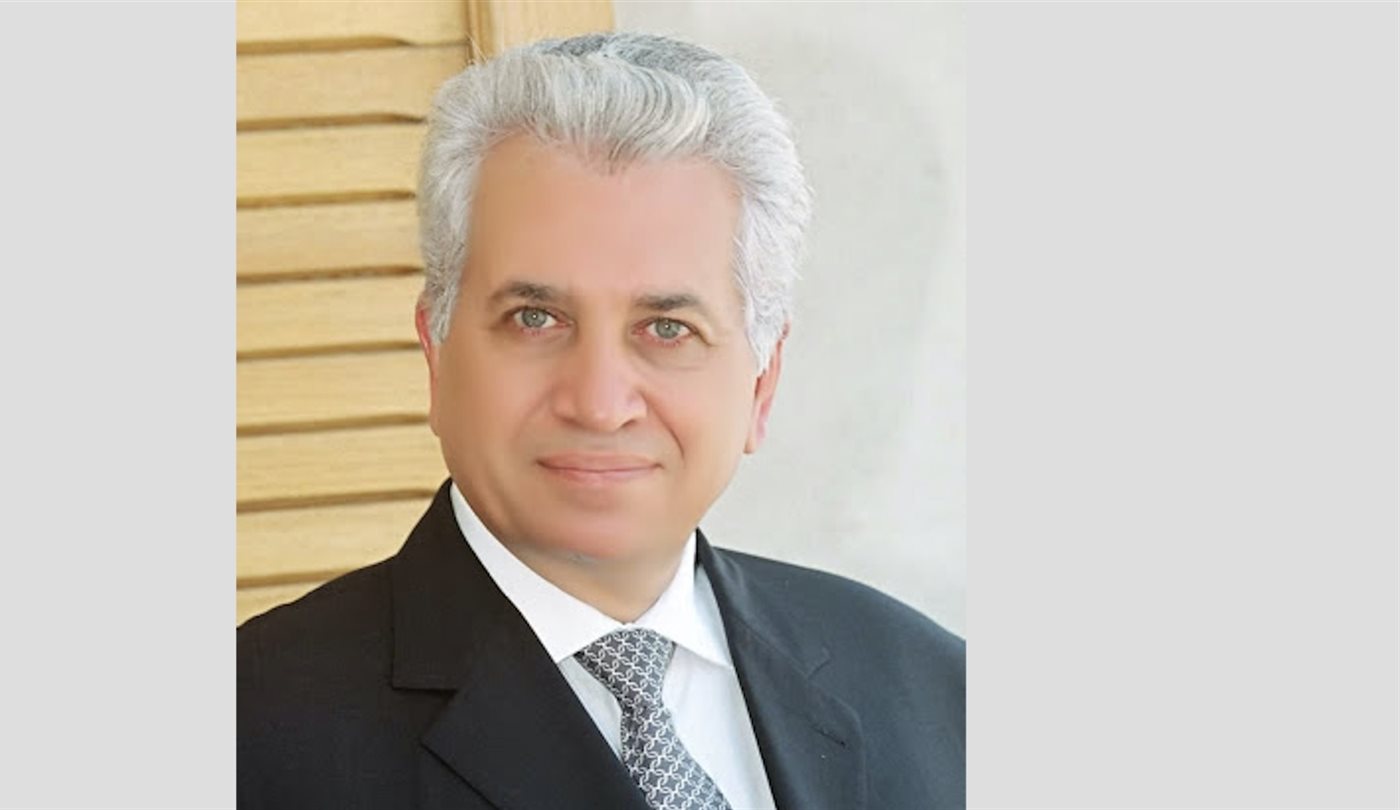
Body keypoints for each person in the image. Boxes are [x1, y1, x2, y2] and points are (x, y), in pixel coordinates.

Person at [237, 32, 964, 810]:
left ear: (763, 382)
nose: (599, 403)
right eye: (535, 319)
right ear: (437, 353)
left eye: (667, 329)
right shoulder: (251, 735)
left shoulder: (938, 695)